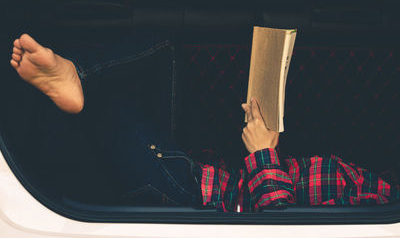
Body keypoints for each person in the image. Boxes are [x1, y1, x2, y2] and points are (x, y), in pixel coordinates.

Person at [9, 34, 400, 212]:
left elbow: (281, 224)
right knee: (162, 49)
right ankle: (80, 72)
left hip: (191, 196)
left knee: (112, 104)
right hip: (203, 167)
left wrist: (263, 153)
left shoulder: (384, 210)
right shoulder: (384, 182)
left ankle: (75, 83)